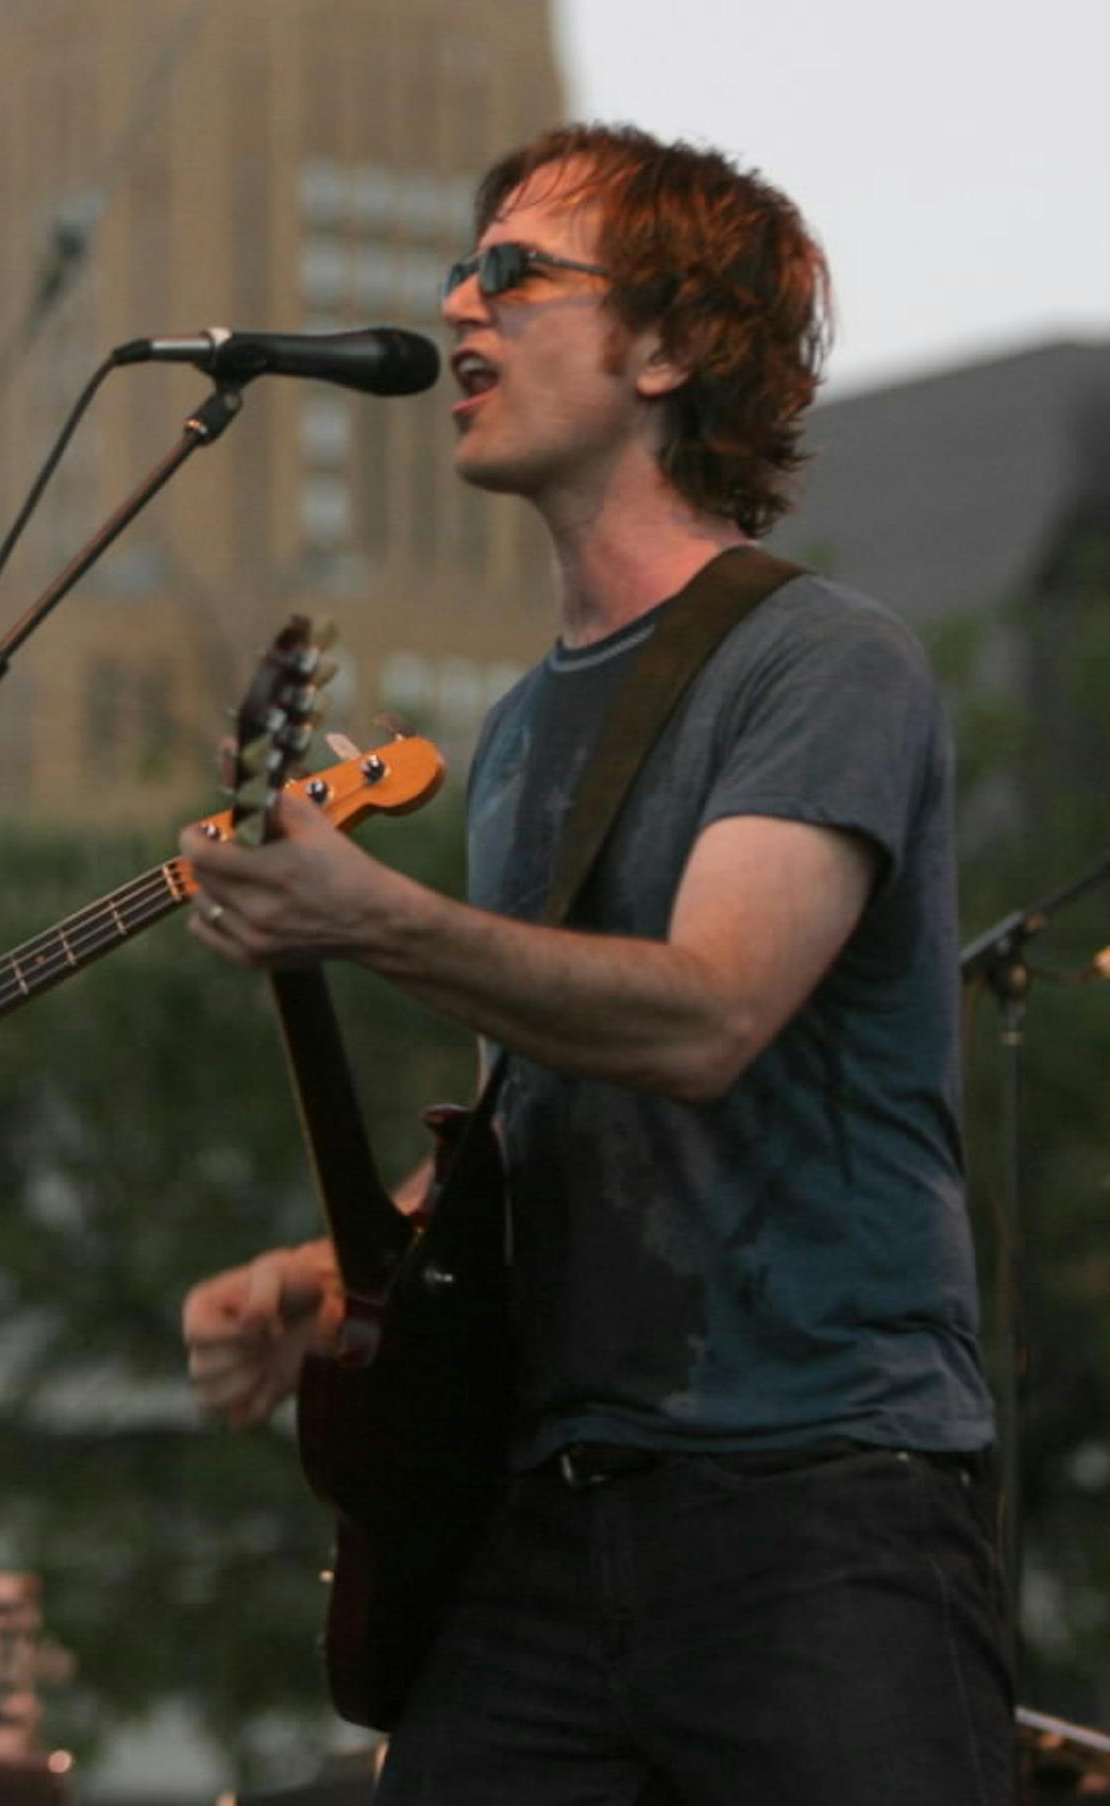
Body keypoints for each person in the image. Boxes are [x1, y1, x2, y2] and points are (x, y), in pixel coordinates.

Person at [179, 124, 1009, 1804]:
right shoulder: (524, 735)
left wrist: (372, 917)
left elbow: (709, 1012)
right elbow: (533, 1124)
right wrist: (338, 1265)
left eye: (512, 271)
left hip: (819, 1507)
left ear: (670, 344)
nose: (454, 307)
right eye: (455, 267)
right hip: (549, 1519)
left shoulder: (821, 663)